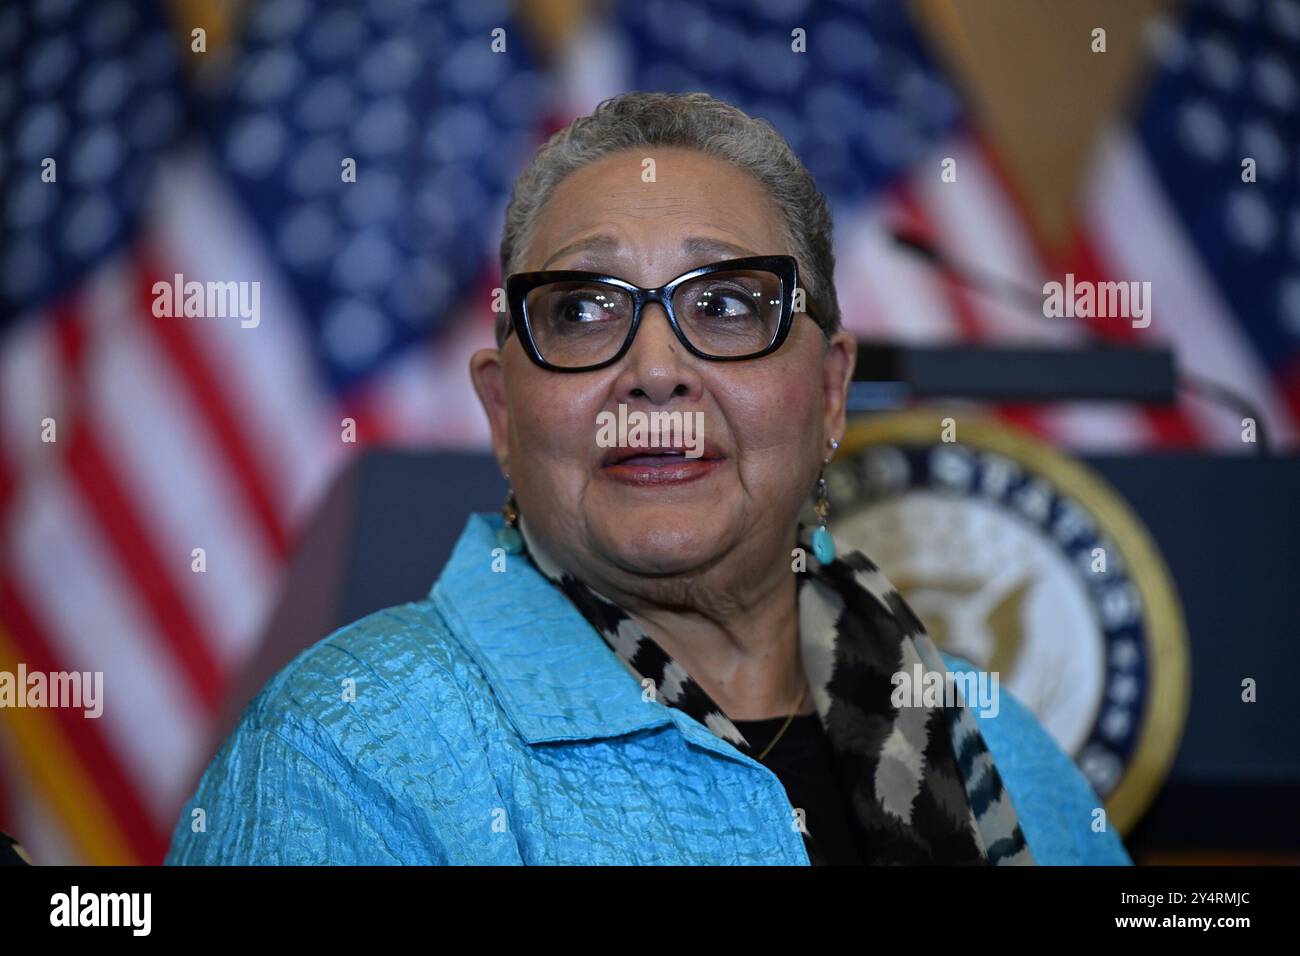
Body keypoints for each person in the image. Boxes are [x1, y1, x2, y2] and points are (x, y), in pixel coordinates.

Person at [167, 91, 1130, 865]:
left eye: (724, 303)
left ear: (831, 393)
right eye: (584, 309)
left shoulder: (990, 737)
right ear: (504, 412)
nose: (656, 367)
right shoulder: (347, 749)